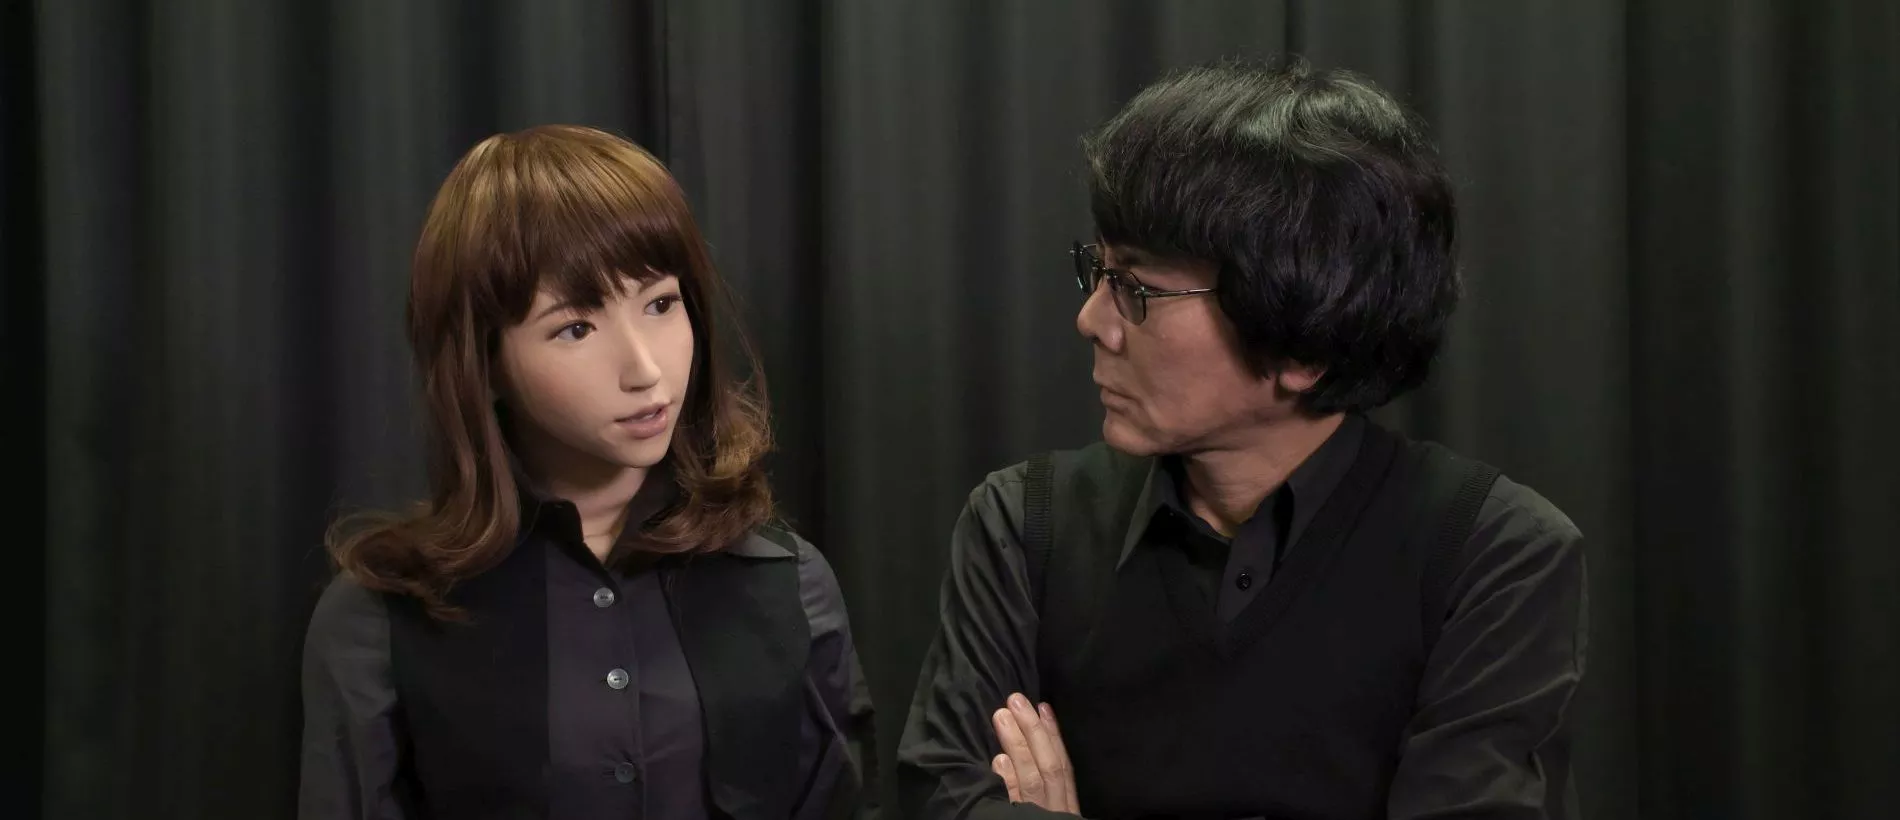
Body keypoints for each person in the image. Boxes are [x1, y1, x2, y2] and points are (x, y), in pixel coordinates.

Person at [897, 59, 1587, 819]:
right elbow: (945, 795)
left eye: (1136, 288)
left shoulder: (1491, 555)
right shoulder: (1026, 526)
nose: (1092, 321)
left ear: (1304, 343)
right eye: (1100, 269)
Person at [299, 125, 876, 820]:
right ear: (484, 364)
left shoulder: (788, 582)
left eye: (660, 304)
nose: (645, 370)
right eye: (576, 328)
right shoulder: (379, 622)